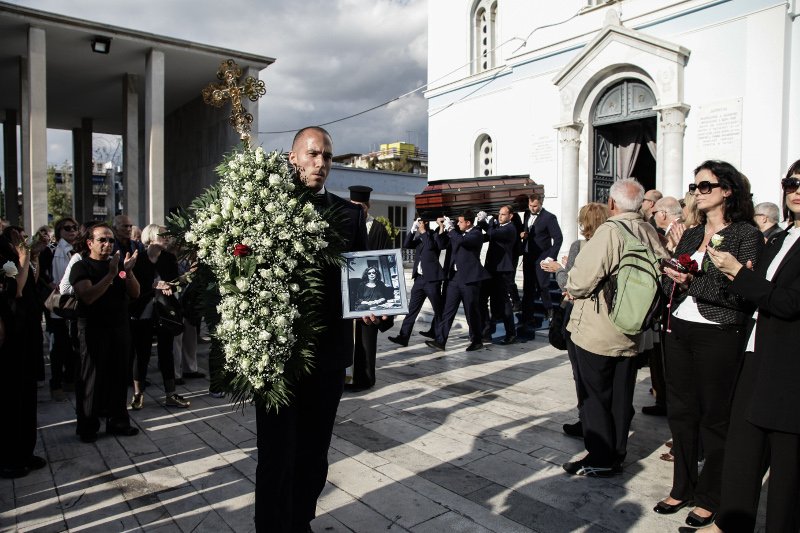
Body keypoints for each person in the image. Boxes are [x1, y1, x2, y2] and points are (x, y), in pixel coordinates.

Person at [254, 126, 369, 532]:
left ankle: (301, 520)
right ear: (293, 158)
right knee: (275, 452)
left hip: (329, 353)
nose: (321, 163)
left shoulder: (350, 214)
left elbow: (362, 276)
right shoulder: (263, 208)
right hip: (275, 352)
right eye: (313, 154)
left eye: (327, 156)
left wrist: (374, 307)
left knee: (314, 451)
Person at [692, 159, 800, 533]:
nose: (797, 189)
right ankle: (730, 523)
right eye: (791, 182)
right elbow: (757, 289)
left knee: (786, 467)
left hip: (789, 363)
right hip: (756, 351)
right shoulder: (782, 237)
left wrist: (738, 273)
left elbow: (788, 303)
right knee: (743, 447)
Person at [654, 160, 763, 528]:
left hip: (718, 333)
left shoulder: (745, 234)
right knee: (681, 412)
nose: (697, 193)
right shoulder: (690, 233)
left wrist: (689, 283)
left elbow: (738, 294)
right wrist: (670, 274)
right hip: (679, 328)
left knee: (714, 418)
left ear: (727, 191)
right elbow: (672, 283)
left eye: (705, 186)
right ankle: (682, 485)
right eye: (695, 186)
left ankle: (710, 496)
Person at [562, 178, 669, 477]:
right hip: (635, 326)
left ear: (612, 204)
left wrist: (569, 282)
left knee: (595, 395)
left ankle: (599, 456)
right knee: (622, 396)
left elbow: (580, 281)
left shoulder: (611, 231)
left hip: (599, 327)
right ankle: (617, 453)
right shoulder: (649, 231)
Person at [541, 202, 609, 438]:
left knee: (581, 371)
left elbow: (567, 283)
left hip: (579, 316)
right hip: (604, 317)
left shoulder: (580, 246)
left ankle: (586, 420)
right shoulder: (611, 244)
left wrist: (559, 268)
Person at [70, 223, 141, 443]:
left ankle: (118, 420)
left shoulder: (117, 266)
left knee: (119, 376)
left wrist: (127, 272)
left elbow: (135, 293)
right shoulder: (82, 266)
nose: (108, 244)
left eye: (111, 240)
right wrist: (111, 274)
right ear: (90, 243)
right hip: (93, 330)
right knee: (91, 378)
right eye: (102, 240)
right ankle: (88, 425)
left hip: (119, 328)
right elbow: (88, 296)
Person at [0, 231, 47, 478]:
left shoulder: (19, 258)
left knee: (27, 395)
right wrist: (23, 258)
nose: (23, 240)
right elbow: (15, 290)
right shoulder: (5, 261)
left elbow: (31, 283)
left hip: (27, 333)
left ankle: (25, 451)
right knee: (11, 398)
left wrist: (33, 258)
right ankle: (9, 456)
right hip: (11, 339)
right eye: (18, 237)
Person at [129, 224, 190, 410]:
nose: (167, 238)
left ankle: (170, 394)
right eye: (163, 235)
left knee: (166, 351)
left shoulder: (169, 258)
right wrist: (154, 284)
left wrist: (171, 285)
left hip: (165, 311)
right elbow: (127, 279)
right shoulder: (137, 258)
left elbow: (172, 283)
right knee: (142, 353)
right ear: (151, 237)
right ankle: (138, 394)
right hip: (142, 311)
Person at [347, 185, 394, 391]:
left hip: (371, 289)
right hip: (350, 290)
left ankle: (364, 378)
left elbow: (385, 259)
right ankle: (344, 378)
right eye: (355, 206)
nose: (358, 210)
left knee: (366, 336)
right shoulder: (343, 224)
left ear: (368, 206)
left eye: (362, 207)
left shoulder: (377, 228)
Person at [427, 210, 491, 352]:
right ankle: (440, 340)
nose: (457, 224)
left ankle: (477, 340)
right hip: (454, 278)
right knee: (447, 311)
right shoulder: (455, 232)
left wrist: (451, 229)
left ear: (468, 222)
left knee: (471, 312)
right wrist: (443, 227)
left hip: (469, 279)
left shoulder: (476, 233)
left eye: (460, 221)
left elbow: (462, 241)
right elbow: (441, 243)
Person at [388, 217, 445, 347]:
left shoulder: (434, 235)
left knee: (439, 310)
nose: (418, 224)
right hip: (419, 279)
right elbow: (407, 245)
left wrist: (424, 232)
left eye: (419, 222)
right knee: (412, 310)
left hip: (432, 280)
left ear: (425, 223)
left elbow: (431, 247)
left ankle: (440, 337)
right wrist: (413, 231)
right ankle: (403, 337)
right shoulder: (420, 237)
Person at [476, 205, 520, 345]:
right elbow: (488, 234)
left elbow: (492, 234)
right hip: (491, 269)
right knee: (482, 298)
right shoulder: (498, 226)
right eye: (499, 214)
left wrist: (484, 221)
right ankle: (487, 330)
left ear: (510, 216)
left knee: (504, 303)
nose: (500, 216)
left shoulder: (510, 228)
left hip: (502, 271)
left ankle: (511, 333)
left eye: (503, 214)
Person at [47, 218, 80, 401]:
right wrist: (53, 286)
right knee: (57, 345)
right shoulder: (51, 251)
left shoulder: (78, 251)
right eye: (67, 228)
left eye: (75, 228)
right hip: (58, 304)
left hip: (74, 303)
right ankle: (56, 382)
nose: (72, 231)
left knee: (73, 344)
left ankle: (70, 379)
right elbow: (43, 276)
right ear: (59, 231)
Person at [520, 193, 562, 328]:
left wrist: (550, 257)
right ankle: (527, 318)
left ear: (541, 204)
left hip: (542, 258)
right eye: (530, 206)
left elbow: (558, 238)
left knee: (543, 287)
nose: (532, 208)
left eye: (535, 206)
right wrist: (523, 234)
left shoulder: (549, 217)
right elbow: (526, 231)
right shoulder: (526, 215)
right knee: (528, 289)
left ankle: (550, 314)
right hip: (528, 257)